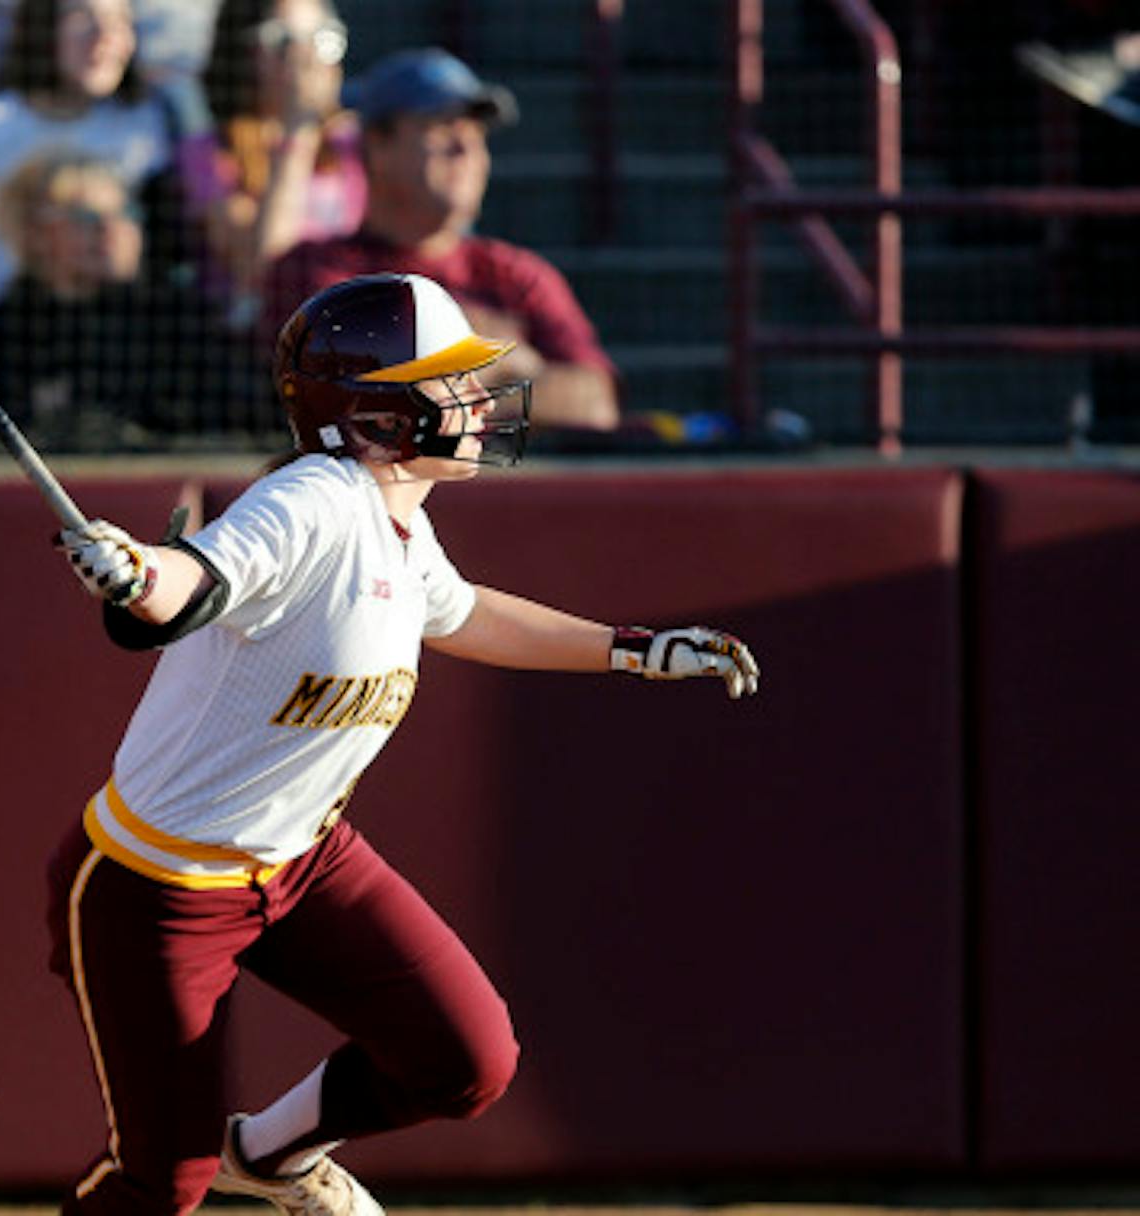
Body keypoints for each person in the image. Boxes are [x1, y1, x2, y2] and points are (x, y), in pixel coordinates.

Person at [46, 272, 759, 1216]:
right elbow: (197, 580)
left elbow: (464, 614)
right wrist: (138, 572)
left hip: (303, 862)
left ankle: (267, 1157)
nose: (479, 401)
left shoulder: (397, 518)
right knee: (163, 1180)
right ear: (378, 412)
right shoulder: (314, 500)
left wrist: (634, 652)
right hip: (159, 886)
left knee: (466, 1058)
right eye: (451, 381)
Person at [263, 48, 620, 432]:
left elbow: (597, 401)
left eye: (475, 133)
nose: (466, 149)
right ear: (377, 146)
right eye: (442, 127)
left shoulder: (517, 274)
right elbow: (355, 395)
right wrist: (506, 366)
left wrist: (447, 370)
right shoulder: (318, 270)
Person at [0, 147, 239, 448]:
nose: (109, 228)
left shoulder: (178, 324)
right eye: (85, 216)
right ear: (33, 232)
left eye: (126, 213)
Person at [0, 0, 184, 310]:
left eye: (121, 20)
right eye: (83, 17)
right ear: (43, 27)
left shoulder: (141, 128)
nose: (105, 35)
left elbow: (164, 252)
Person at [178, 0, 362, 331]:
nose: (304, 58)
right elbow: (262, 267)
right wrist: (297, 128)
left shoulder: (353, 142)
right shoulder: (207, 152)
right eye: (282, 42)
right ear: (243, 52)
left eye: (321, 39)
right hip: (259, 337)